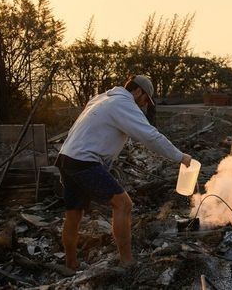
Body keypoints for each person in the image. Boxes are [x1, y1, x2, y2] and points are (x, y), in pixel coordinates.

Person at [55, 75, 191, 270]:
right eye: (145, 99)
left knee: (74, 213)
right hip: (85, 160)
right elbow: (150, 136)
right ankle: (127, 262)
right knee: (123, 204)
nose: (144, 105)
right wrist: (180, 157)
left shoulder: (102, 98)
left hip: (67, 157)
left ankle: (71, 264)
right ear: (137, 91)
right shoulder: (123, 104)